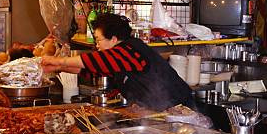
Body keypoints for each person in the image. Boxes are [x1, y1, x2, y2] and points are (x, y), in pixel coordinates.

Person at [41, 14, 194, 110]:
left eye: (99, 40)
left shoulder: (130, 49)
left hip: (180, 110)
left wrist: (58, 59)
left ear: (113, 39)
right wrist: (59, 67)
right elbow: (91, 69)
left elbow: (96, 61)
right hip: (156, 111)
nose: (97, 45)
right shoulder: (118, 57)